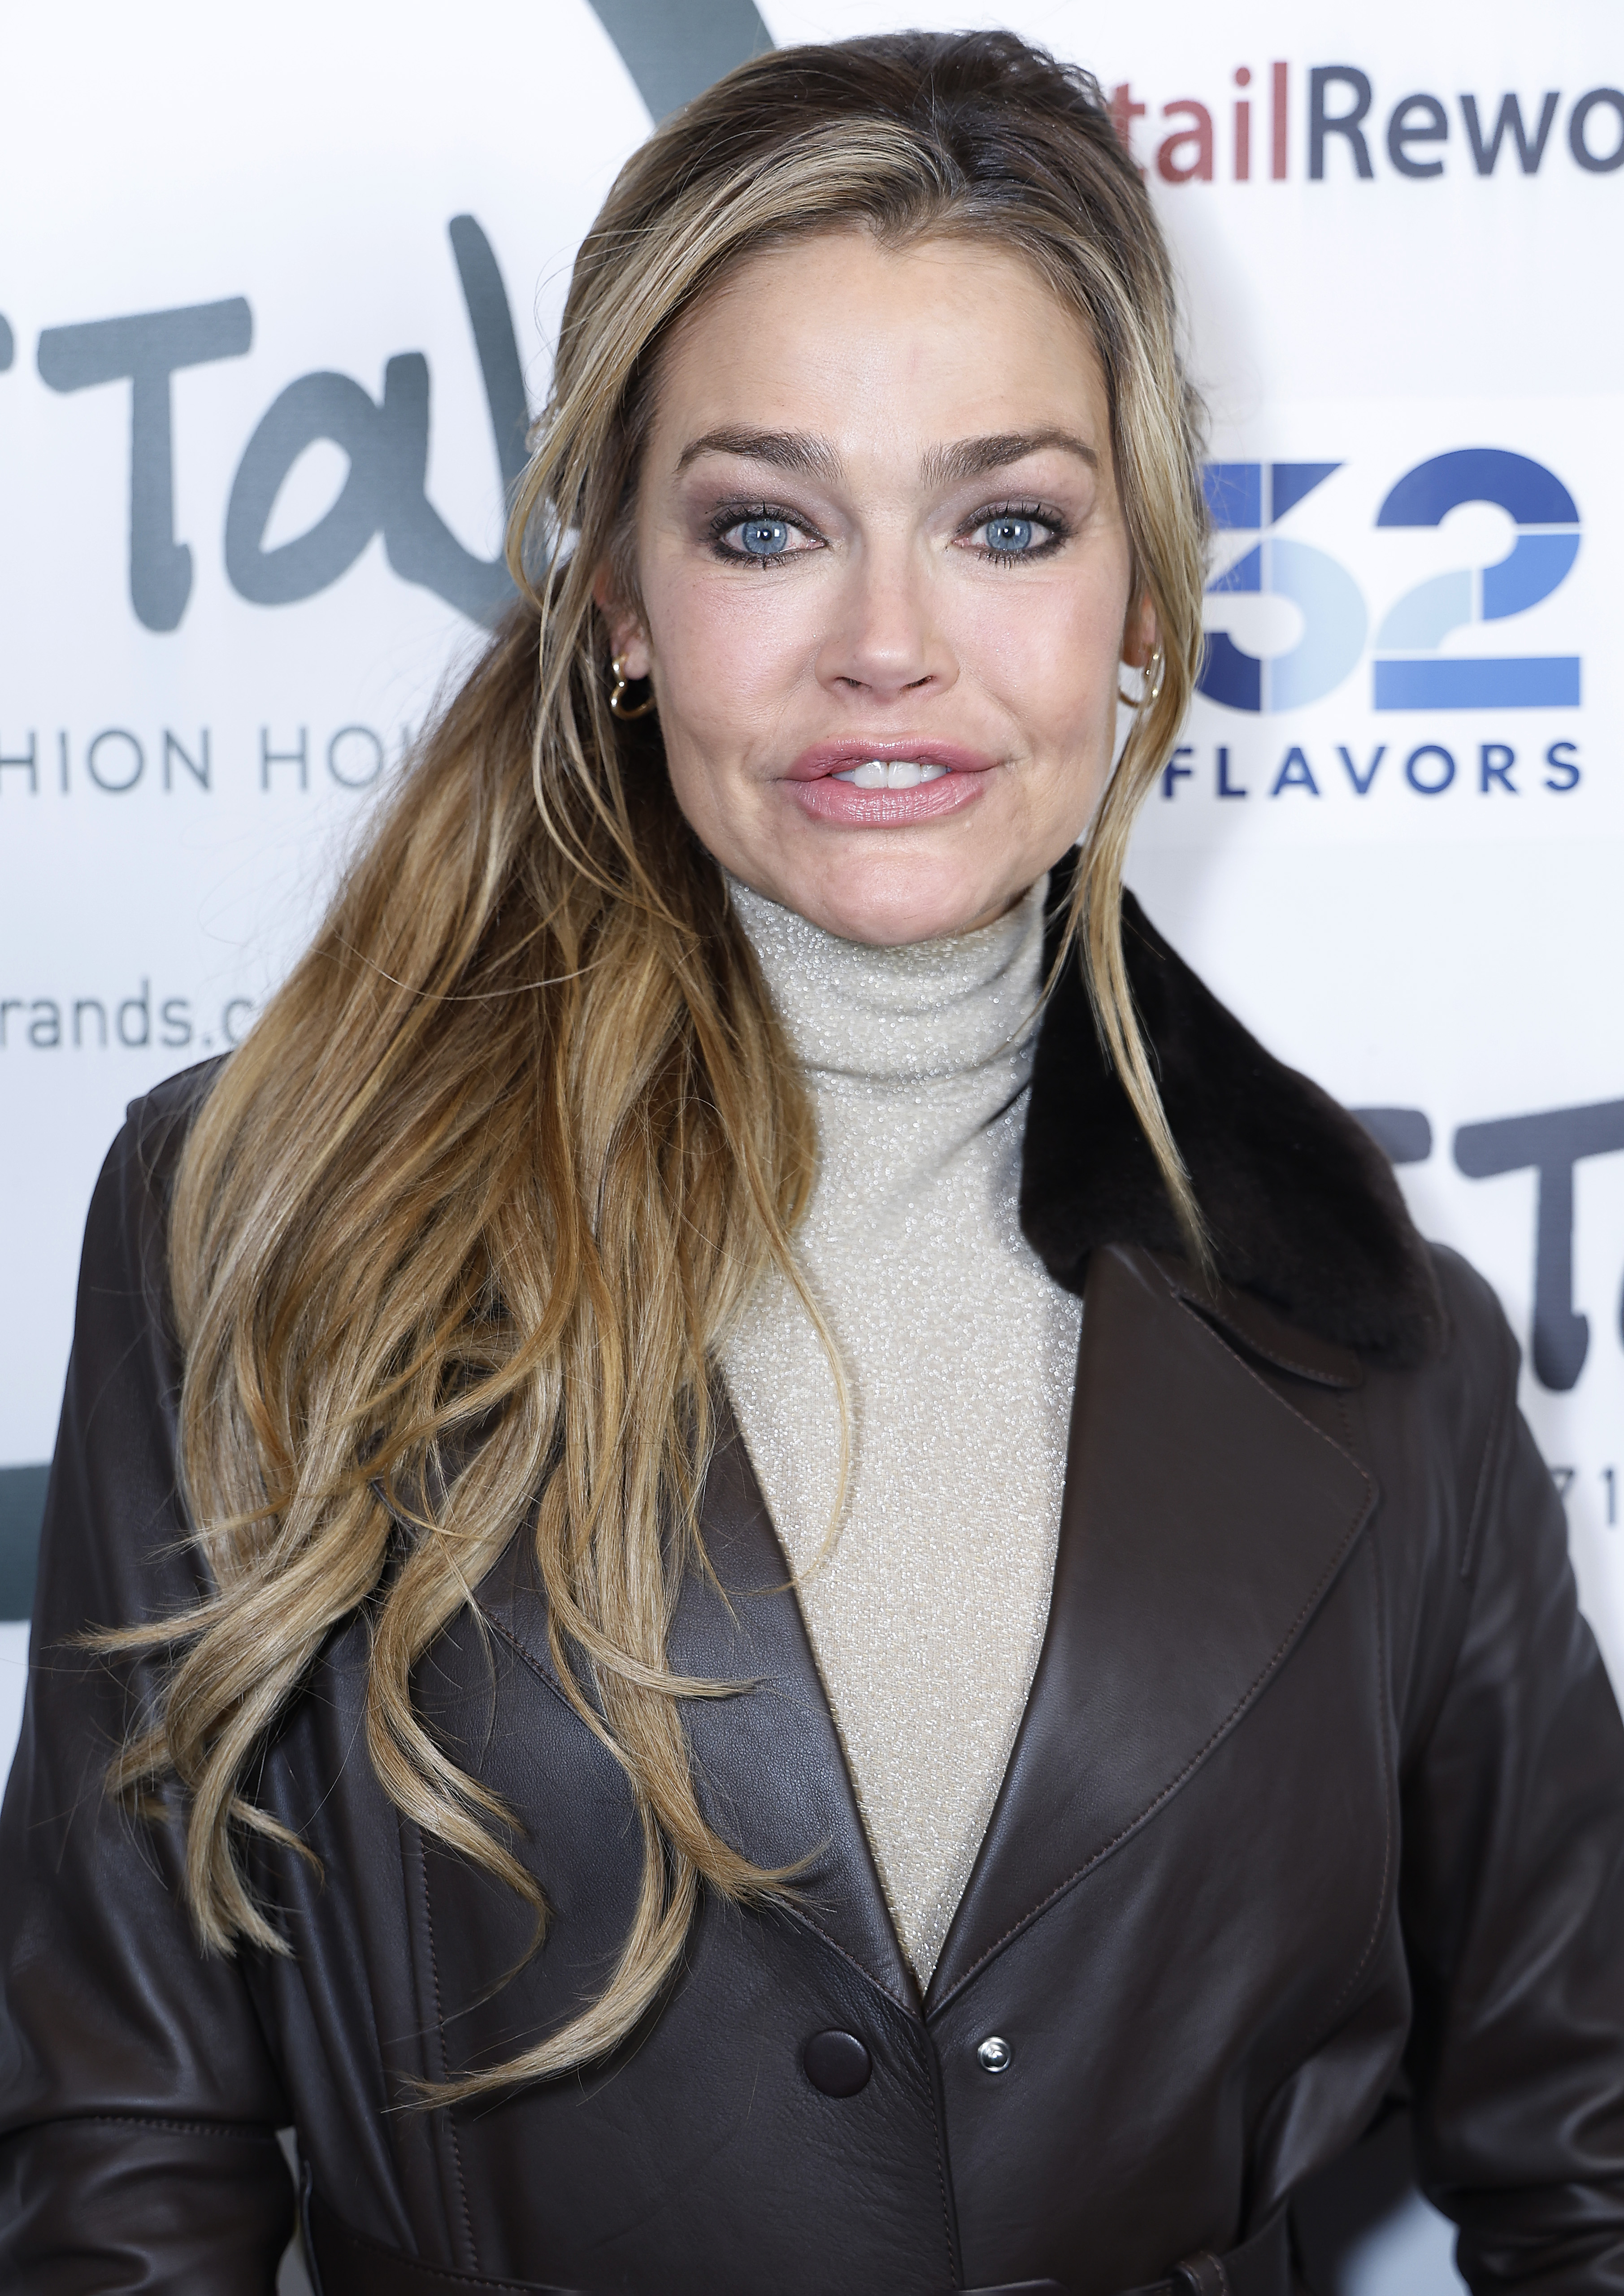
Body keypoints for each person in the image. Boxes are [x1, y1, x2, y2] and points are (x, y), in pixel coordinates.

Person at [3, 30, 1621, 2296]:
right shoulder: (253, 1221)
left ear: (1142, 601)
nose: (889, 645)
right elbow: (122, 2157)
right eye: (766, 525)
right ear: (619, 607)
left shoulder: (1392, 1348)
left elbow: (1599, 2155)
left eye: (1010, 525)